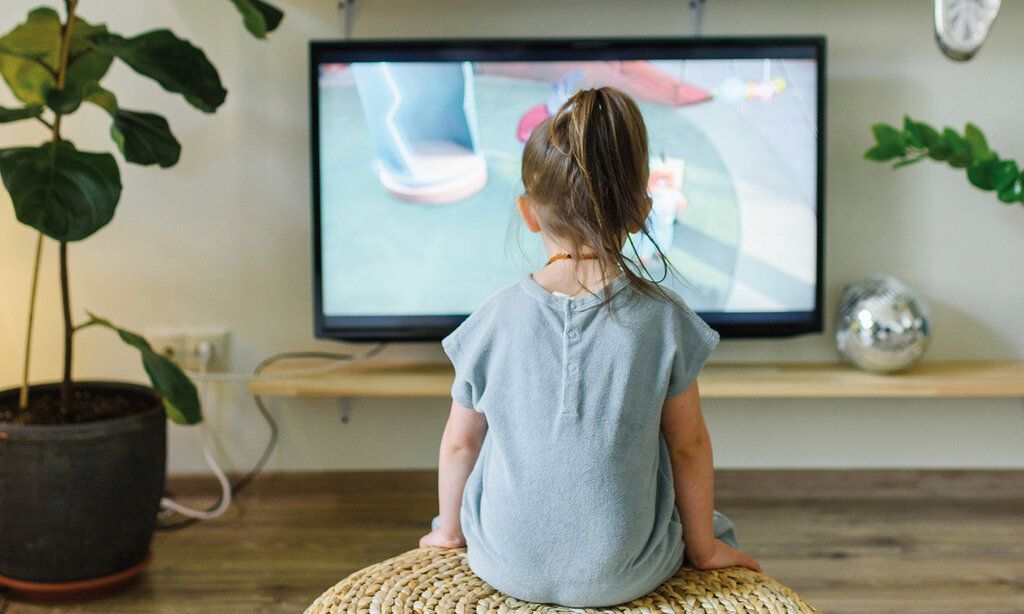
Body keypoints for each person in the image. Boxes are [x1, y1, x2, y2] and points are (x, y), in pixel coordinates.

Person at [418, 86, 761, 608]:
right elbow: (688, 447)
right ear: (642, 211)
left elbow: (460, 444)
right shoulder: (664, 321)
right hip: (624, 575)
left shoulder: (491, 318)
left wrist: (448, 535)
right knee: (709, 520)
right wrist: (705, 549)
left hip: (503, 563)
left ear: (530, 213)